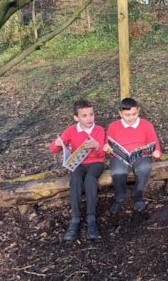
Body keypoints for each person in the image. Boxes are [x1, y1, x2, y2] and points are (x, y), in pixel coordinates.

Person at [49, 99, 105, 241]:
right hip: (78, 164)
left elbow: (102, 155)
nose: (89, 118)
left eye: (91, 114)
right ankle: (75, 220)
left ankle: (91, 219)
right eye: (84, 116)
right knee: (75, 179)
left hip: (95, 163)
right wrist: (57, 144)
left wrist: (97, 146)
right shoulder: (71, 131)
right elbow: (54, 149)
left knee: (90, 179)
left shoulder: (98, 130)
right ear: (76, 118)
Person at [103, 97, 162, 213]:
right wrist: (107, 149)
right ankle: (120, 197)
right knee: (117, 172)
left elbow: (155, 145)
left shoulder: (146, 125)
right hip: (120, 157)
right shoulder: (113, 126)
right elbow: (107, 145)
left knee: (144, 168)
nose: (131, 118)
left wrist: (156, 153)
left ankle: (138, 196)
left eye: (134, 114)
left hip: (140, 156)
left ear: (138, 111)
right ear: (120, 113)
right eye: (127, 115)